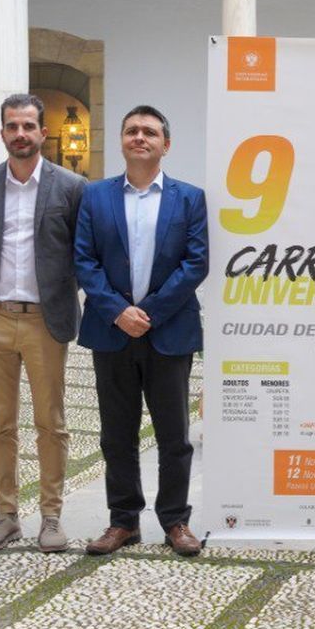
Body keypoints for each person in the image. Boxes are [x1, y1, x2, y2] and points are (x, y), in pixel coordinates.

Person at [74, 106, 209, 558]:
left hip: (168, 332)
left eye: (149, 132)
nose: (139, 137)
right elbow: (84, 262)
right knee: (117, 434)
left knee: (174, 436)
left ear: (165, 145)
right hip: (111, 333)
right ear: (121, 141)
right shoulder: (95, 197)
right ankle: (123, 521)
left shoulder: (190, 198)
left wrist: (146, 312)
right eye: (131, 130)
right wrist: (118, 312)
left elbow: (196, 263)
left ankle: (175, 520)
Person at [0, 93, 87, 553]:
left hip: (45, 320)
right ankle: (6, 514)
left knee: (51, 422)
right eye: (12, 126)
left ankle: (51, 515)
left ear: (42, 132)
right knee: (0, 423)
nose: (20, 134)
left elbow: (80, 250)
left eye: (28, 126)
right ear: (2, 134)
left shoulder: (72, 187)